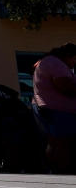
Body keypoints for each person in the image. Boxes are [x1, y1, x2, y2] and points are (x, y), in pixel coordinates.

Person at [33, 43, 76, 172]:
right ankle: (62, 171)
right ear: (68, 56)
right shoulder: (56, 64)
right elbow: (66, 86)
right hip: (57, 111)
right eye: (75, 59)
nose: (74, 63)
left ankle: (56, 171)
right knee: (62, 143)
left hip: (49, 108)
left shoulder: (47, 62)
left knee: (55, 142)